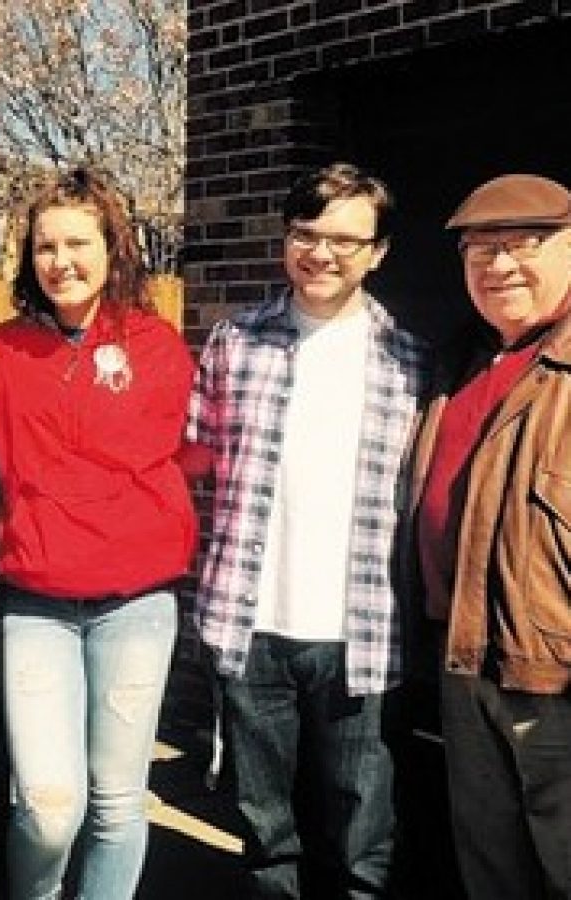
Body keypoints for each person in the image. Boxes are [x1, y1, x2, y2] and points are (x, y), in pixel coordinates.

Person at [183, 162, 430, 898]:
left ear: (379, 252)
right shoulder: (234, 343)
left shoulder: (410, 361)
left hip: (361, 633)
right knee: (265, 837)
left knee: (360, 842)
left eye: (344, 240)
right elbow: (191, 459)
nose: (320, 253)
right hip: (251, 627)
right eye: (305, 234)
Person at [0, 168, 196, 900]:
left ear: (111, 248)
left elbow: (173, 454)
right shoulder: (3, 352)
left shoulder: (156, 346)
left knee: (115, 801)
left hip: (134, 606)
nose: (60, 260)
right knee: (45, 806)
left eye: (77, 243)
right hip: (36, 604)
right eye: (45, 246)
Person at [411, 173, 571, 900]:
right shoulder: (459, 363)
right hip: (464, 659)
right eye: (481, 251)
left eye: (524, 245)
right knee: (492, 867)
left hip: (554, 678)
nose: (499, 266)